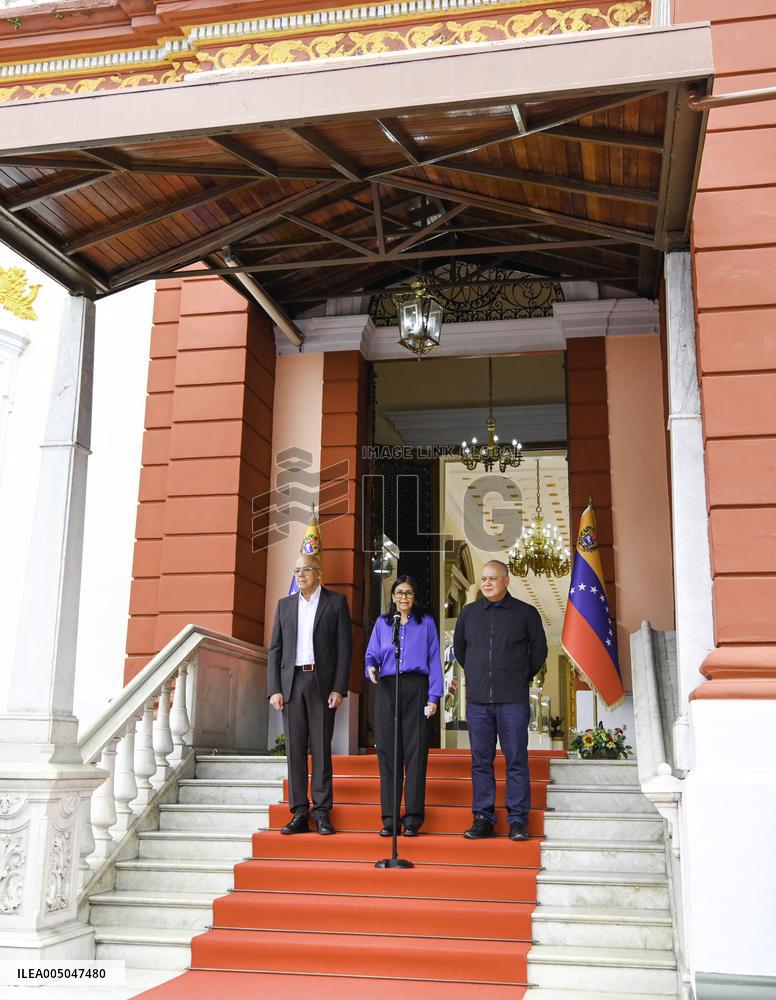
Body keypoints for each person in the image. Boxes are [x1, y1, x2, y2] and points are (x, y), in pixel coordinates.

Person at [453, 560, 547, 842]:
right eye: (483, 579)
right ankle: (483, 818)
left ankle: (518, 820)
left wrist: (519, 676)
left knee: (516, 760)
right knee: (481, 761)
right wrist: (479, 673)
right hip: (478, 701)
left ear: (506, 580)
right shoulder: (469, 614)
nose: (487, 583)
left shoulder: (525, 613)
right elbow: (460, 650)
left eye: (493, 578)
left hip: (513, 701)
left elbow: (539, 650)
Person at [267, 555, 352, 835]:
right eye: (297, 570)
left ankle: (323, 812)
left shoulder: (336, 603)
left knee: (321, 749)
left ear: (319, 573)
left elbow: (344, 648)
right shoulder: (285, 606)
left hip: (321, 682)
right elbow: (275, 650)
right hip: (291, 683)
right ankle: (299, 812)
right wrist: (274, 689)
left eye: (306, 570)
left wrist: (339, 688)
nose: (300, 574)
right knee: (294, 750)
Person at [365, 576, 443, 837]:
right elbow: (371, 654)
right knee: (388, 754)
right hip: (388, 688)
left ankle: (412, 818)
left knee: (416, 753)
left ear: (414, 597)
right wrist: (371, 667)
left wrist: (433, 697)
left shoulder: (427, 623)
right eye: (399, 593)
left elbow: (434, 659)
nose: (404, 598)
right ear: (393, 597)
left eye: (408, 593)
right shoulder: (383, 623)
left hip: (416, 688)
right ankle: (389, 818)